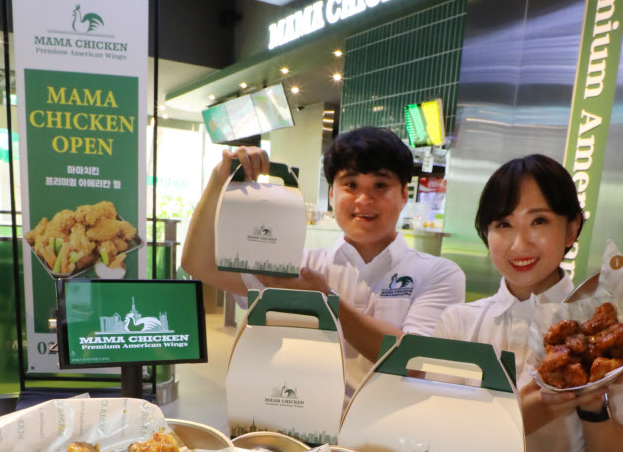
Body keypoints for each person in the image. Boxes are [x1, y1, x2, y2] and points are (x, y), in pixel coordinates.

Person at [432, 153, 623, 452]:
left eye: (539, 221)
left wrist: (591, 404)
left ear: (571, 228)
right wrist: (519, 418)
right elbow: (440, 451)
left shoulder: (603, 334)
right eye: (503, 225)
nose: (519, 244)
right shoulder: (458, 324)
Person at [181, 127, 465, 393]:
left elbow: (414, 363)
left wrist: (325, 301)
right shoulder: (298, 266)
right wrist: (219, 180)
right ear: (331, 194)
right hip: (303, 432)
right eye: (351, 184)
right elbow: (199, 264)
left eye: (380, 185)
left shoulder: (439, 273)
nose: (364, 198)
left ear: (404, 194)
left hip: (395, 435)